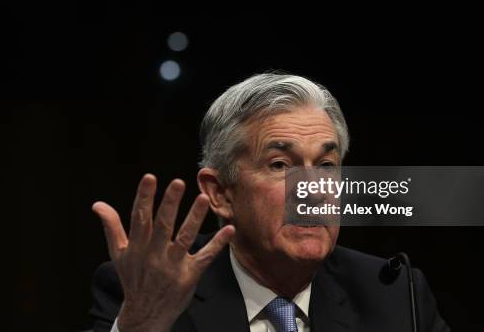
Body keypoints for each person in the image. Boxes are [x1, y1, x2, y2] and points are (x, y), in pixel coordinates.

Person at [90, 73, 449, 332]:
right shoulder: (151, 293)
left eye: (327, 166)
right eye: (280, 165)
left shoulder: (395, 295)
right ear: (220, 193)